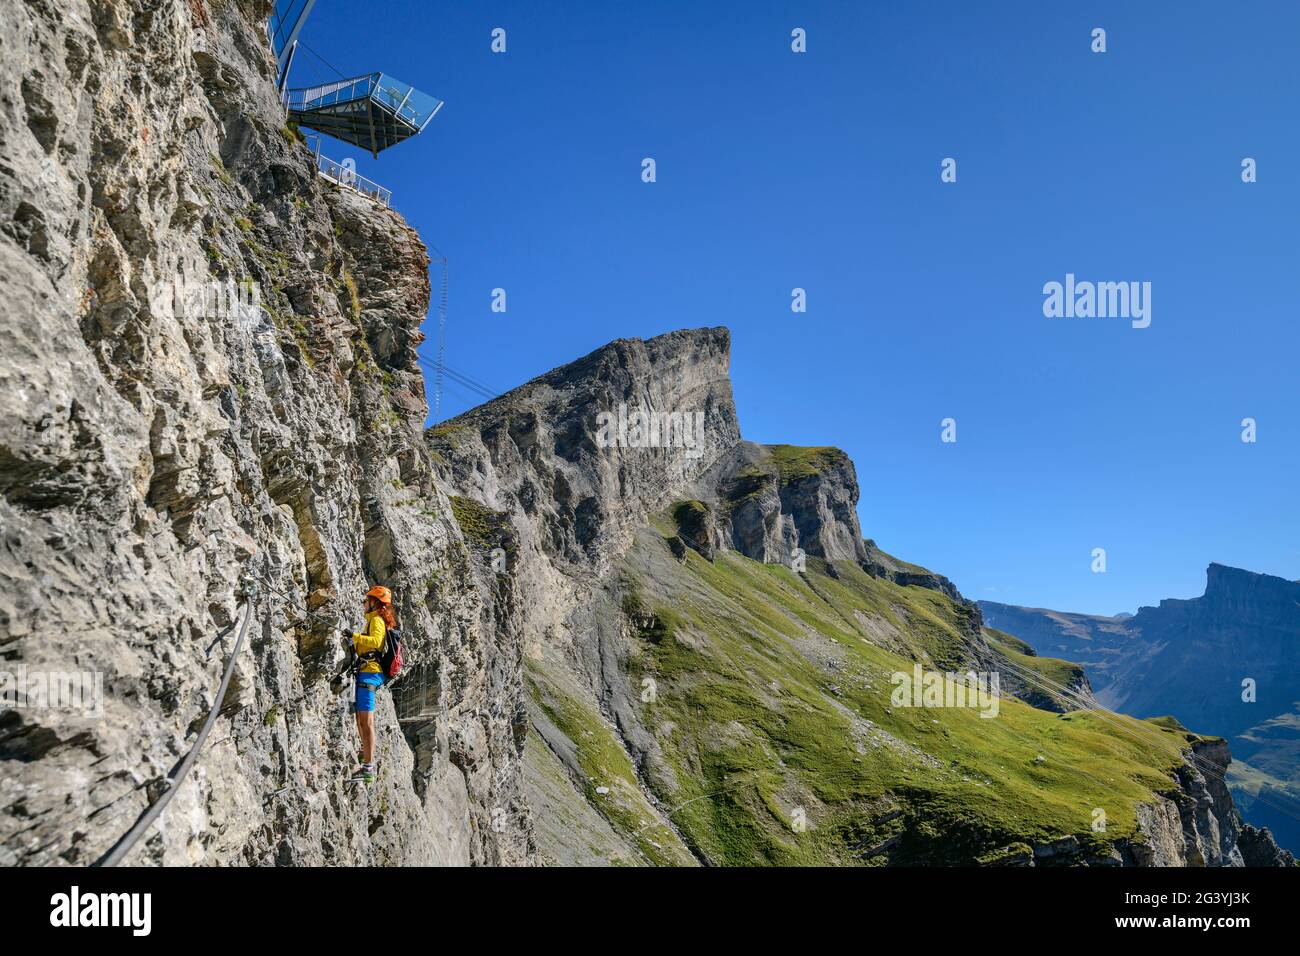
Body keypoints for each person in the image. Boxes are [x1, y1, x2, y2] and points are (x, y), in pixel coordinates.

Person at [344, 584, 395, 784]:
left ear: (374, 602)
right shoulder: (373, 620)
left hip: (370, 674)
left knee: (367, 722)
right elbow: (367, 644)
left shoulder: (377, 620)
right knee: (361, 720)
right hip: (366, 672)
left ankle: (368, 768)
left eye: (366, 600)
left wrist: (354, 636)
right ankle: (366, 754)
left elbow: (375, 641)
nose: (363, 604)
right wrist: (353, 642)